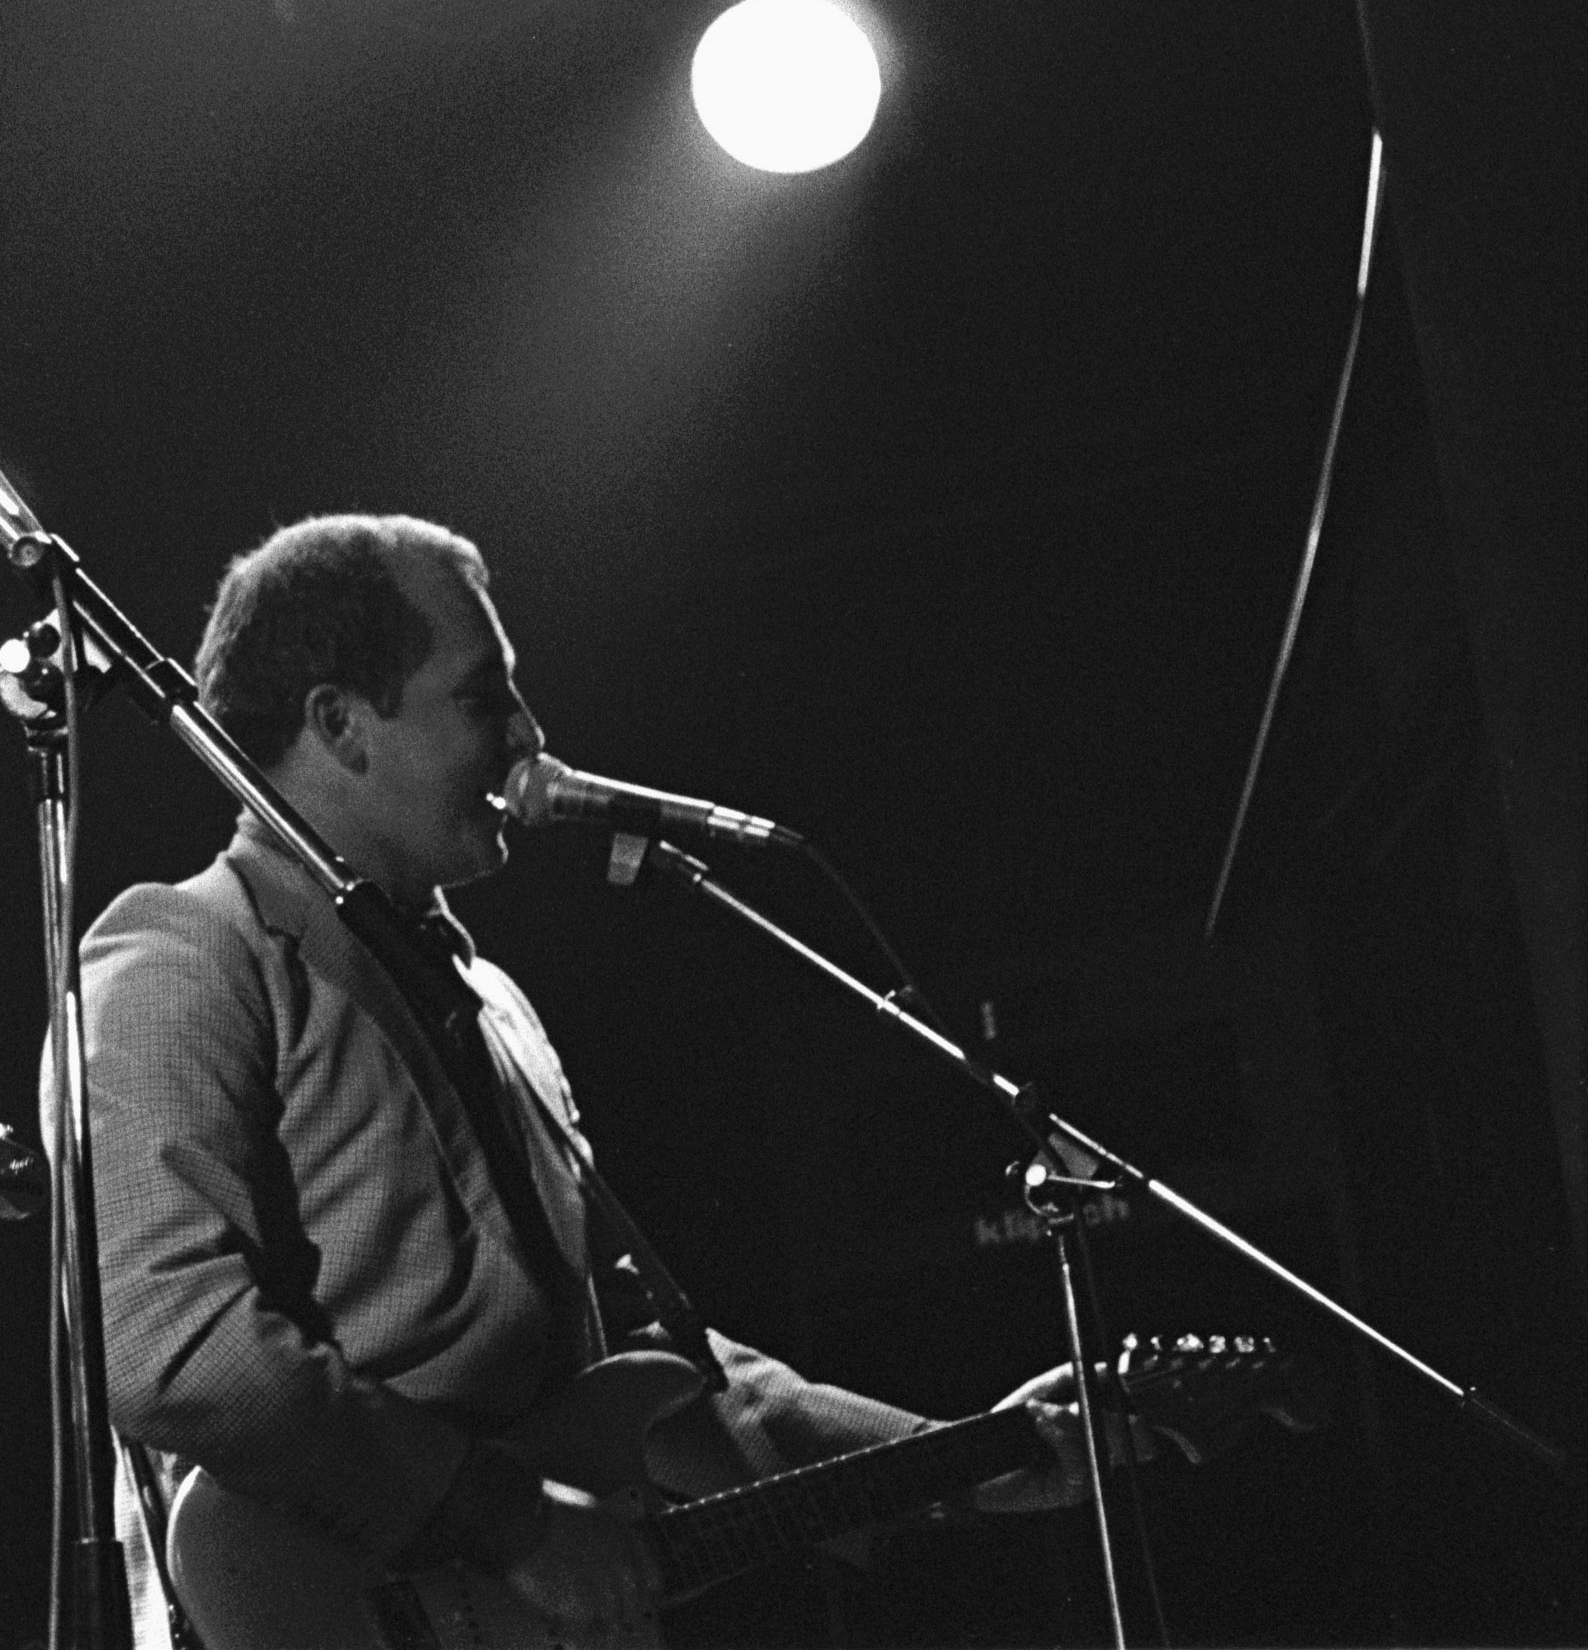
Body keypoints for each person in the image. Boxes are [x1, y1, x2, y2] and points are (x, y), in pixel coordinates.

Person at [77, 514, 1097, 1646]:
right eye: (484, 696)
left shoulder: (491, 1000)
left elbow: (675, 1381)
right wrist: (508, 1520)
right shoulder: (183, 952)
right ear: (339, 724)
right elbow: (173, 1348)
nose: (530, 733)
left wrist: (971, 1461)